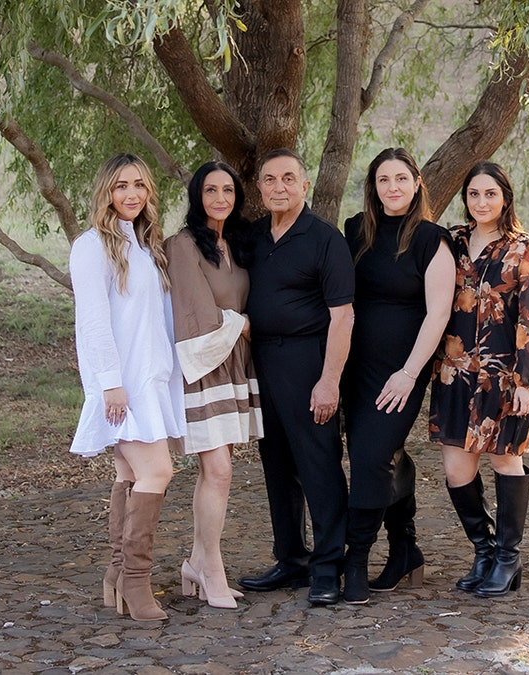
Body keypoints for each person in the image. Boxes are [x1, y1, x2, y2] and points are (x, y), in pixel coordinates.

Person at [68, 153, 186, 622]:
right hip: (122, 386)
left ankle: (118, 575)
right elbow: (93, 322)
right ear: (106, 192)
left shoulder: (144, 245)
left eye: (139, 185)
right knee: (159, 471)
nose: (131, 194)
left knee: (130, 475)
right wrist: (110, 385)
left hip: (151, 380)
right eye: (120, 186)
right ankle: (136, 581)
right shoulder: (91, 246)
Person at [429, 161, 529, 598]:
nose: (481, 202)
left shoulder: (527, 250)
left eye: (490, 194)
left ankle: (507, 557)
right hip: (453, 373)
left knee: (504, 459)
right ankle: (482, 550)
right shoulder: (451, 242)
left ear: (505, 197)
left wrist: (528, 383)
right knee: (456, 468)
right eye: (474, 194)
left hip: (504, 377)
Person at [238, 148, 355, 606]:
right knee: (277, 466)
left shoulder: (324, 238)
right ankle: (291, 560)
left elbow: (342, 317)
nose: (279, 187)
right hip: (264, 363)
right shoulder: (253, 238)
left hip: (310, 362)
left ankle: (328, 567)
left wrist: (329, 381)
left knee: (318, 466)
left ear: (304, 186)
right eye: (270, 180)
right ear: (261, 188)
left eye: (289, 178)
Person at [339, 148, 454, 604]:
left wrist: (409, 373)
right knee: (382, 455)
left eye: (401, 179)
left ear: (417, 183)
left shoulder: (432, 239)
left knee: (369, 457)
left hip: (403, 370)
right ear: (373, 187)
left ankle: (355, 560)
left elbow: (439, 312)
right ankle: (405, 548)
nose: (392, 188)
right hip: (356, 367)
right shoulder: (356, 232)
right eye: (383, 180)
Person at [165, 161, 262, 610]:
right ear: (196, 196)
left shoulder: (239, 244)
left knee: (217, 472)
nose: (220, 198)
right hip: (204, 370)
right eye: (211, 191)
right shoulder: (182, 246)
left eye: (228, 190)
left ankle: (195, 561)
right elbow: (196, 316)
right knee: (219, 471)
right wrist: (243, 324)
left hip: (237, 369)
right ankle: (210, 568)